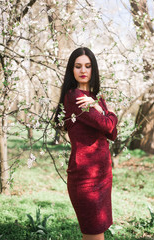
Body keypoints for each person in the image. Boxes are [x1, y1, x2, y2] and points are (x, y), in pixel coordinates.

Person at [54, 47, 118, 240]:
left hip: (103, 175)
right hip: (85, 178)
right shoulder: (75, 97)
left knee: (97, 233)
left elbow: (113, 133)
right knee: (94, 234)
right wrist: (109, 113)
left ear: (93, 69)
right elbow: (108, 124)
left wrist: (99, 106)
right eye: (78, 66)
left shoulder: (96, 98)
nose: (83, 70)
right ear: (71, 70)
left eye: (88, 66)